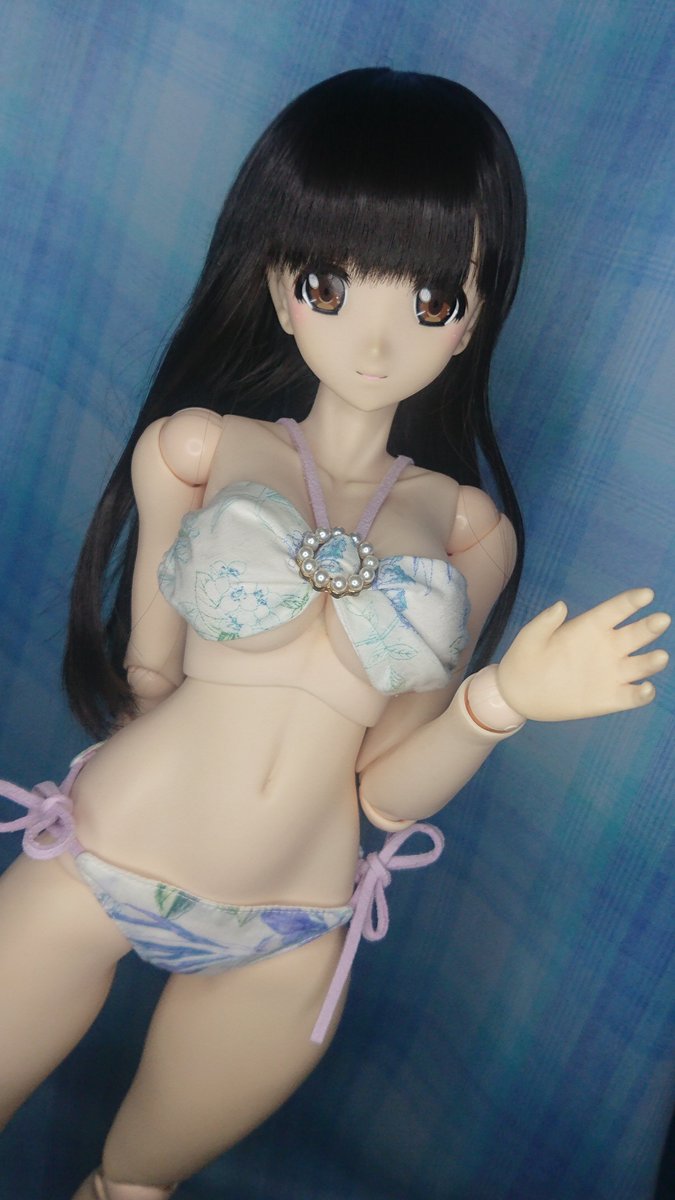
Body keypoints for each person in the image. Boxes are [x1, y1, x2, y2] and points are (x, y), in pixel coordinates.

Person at [0, 68, 669, 1200]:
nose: (375, 339)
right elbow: (149, 670)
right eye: (330, 284)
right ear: (279, 286)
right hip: (103, 857)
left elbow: (387, 793)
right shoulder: (198, 450)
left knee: (133, 1189)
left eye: (431, 300)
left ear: (472, 318)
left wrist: (502, 701)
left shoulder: (467, 532)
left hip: (291, 931)